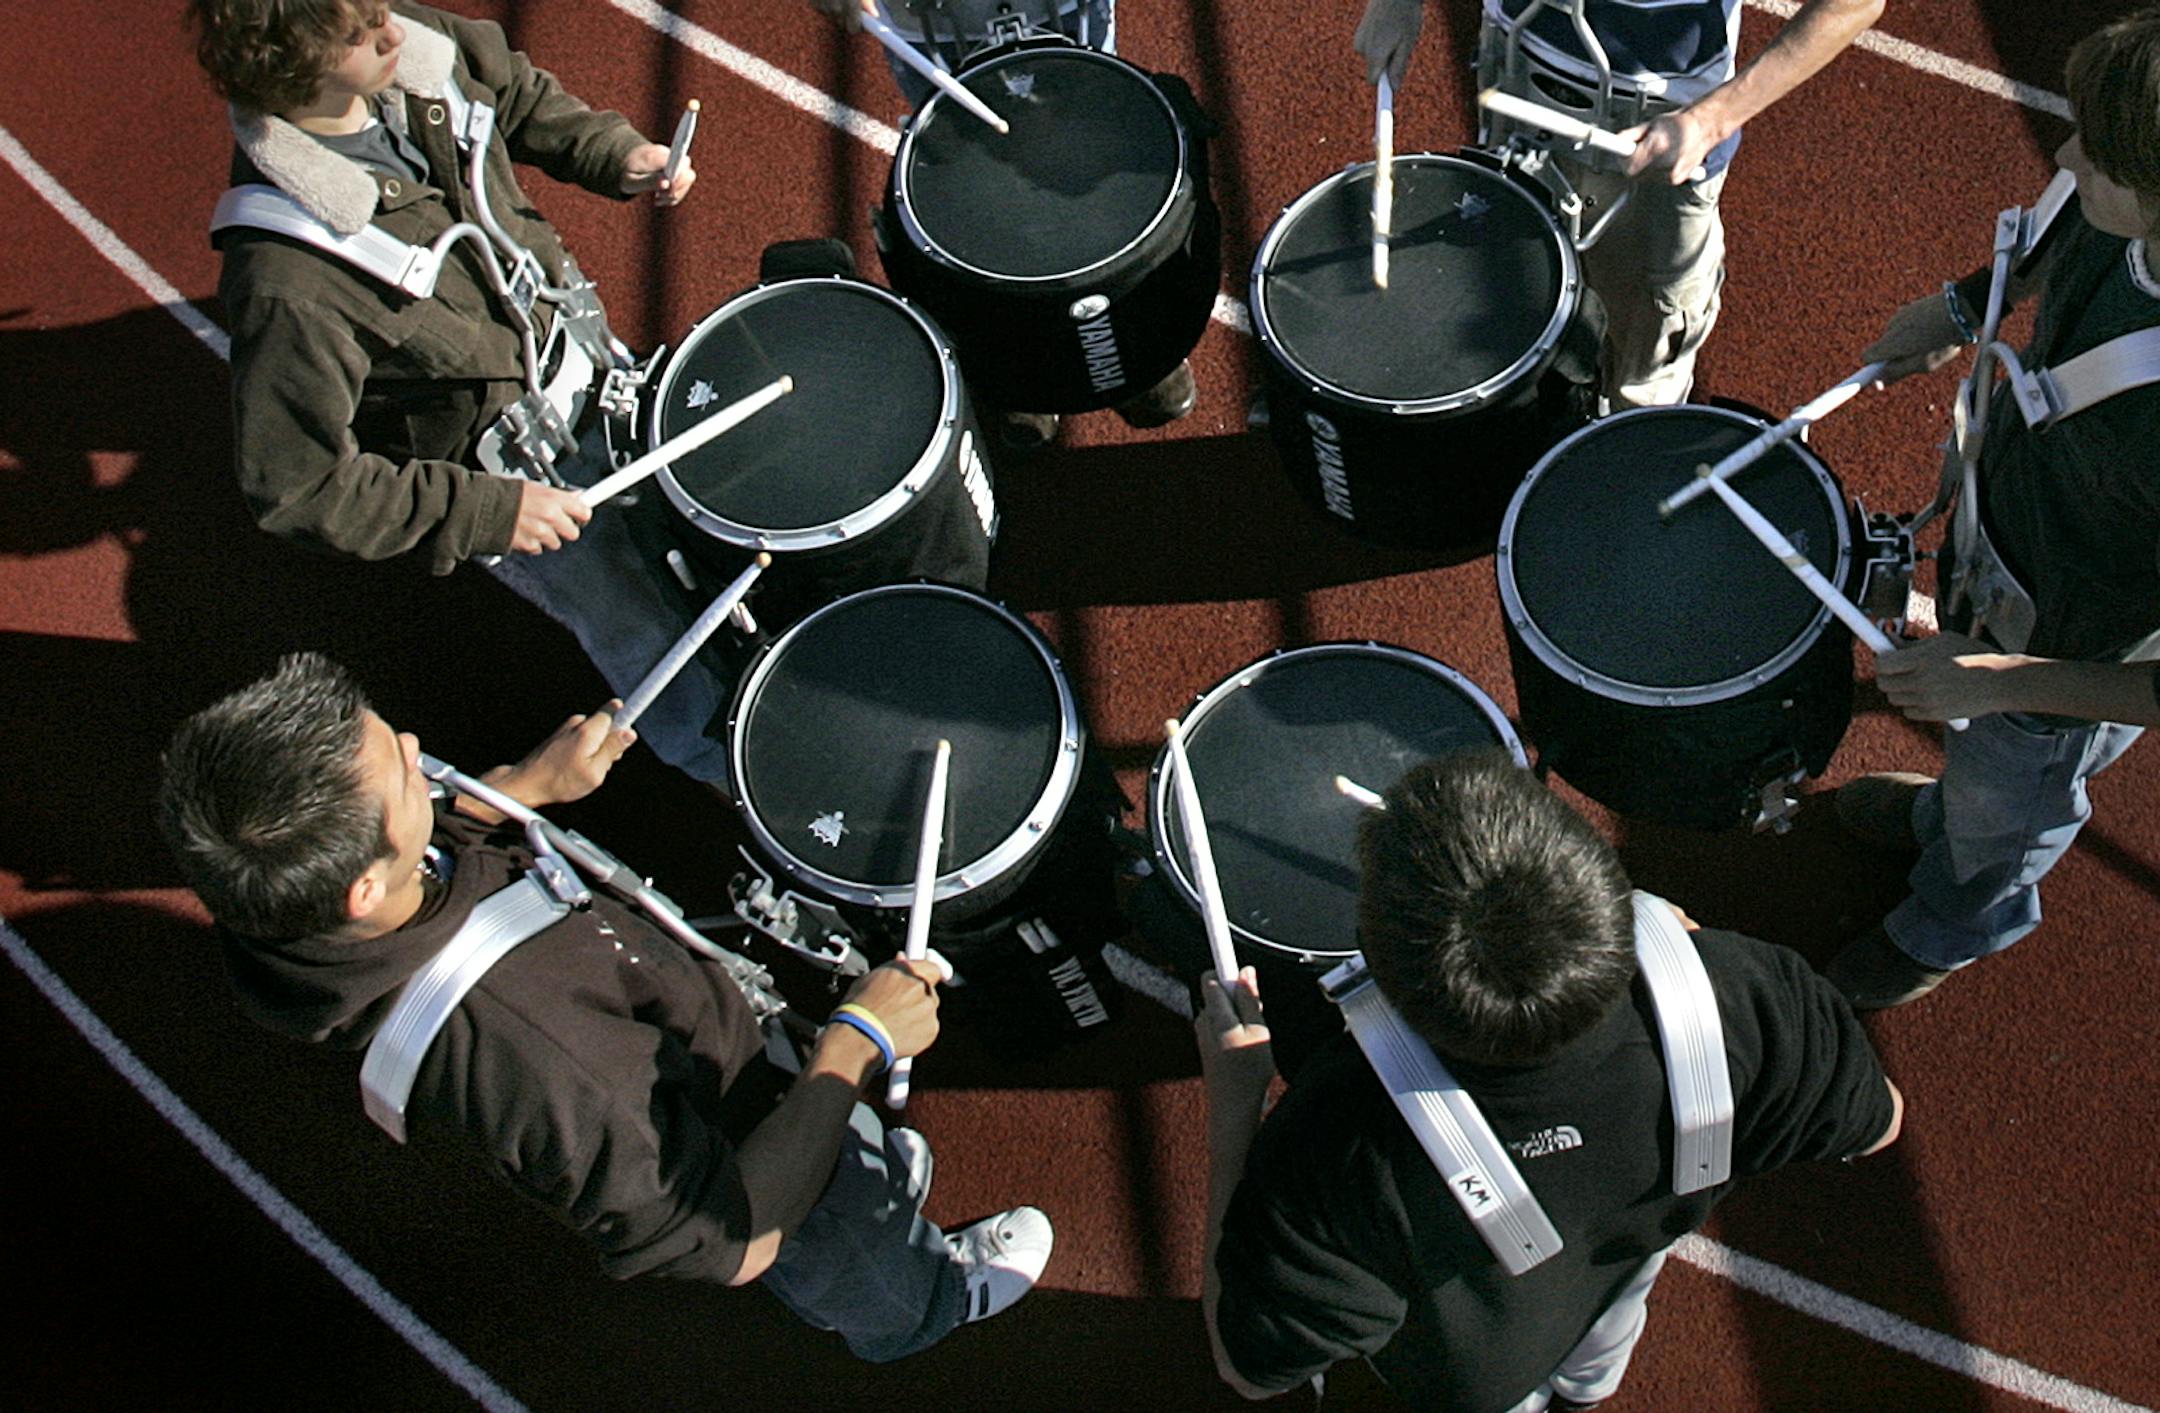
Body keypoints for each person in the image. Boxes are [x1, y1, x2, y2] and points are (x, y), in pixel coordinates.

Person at [155, 652, 1055, 1362]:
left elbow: (427, 850)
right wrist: (856, 1044)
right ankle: (925, 1304)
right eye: (401, 770)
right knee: (854, 1241)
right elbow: (729, 1236)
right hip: (754, 1149)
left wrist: (518, 789)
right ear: (360, 890)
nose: (417, 750)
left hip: (695, 1038)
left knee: (851, 1143)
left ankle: (866, 1162)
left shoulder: (288, 915)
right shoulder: (546, 1065)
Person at [1197, 751, 1901, 1410]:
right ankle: (1589, 1390)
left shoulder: (1342, 1146)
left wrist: (1235, 1098)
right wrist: (1681, 950)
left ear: (1384, 980)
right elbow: (1883, 1120)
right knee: (1603, 1347)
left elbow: (1247, 1366)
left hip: (1475, 1371)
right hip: (1624, 1269)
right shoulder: (1742, 994)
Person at [191, 1, 739, 783]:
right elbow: (297, 485)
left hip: (589, 361)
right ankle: (749, 791)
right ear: (286, 61)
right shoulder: (289, 279)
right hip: (517, 467)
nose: (391, 33)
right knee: (652, 635)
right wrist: (490, 510)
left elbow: (509, 93)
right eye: (358, 34)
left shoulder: (406, 43)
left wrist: (612, 153)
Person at [1822, 8, 2160, 1010]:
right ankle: (1952, 818)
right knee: (1980, 764)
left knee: (2014, 786)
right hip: (2012, 534)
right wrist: (1969, 304)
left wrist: (2004, 678)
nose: (2063, 153)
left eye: (2097, 158)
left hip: (2067, 649)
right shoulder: (2121, 212)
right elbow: (2066, 224)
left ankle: (1961, 913)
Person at [1353, 0, 1882, 408]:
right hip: (1512, 72)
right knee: (1515, 294)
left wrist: (1710, 121)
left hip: (1659, 127)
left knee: (1645, 360)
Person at [807, 0, 1198, 446]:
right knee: (974, 182)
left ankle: (1138, 343)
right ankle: (1022, 363)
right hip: (929, 21)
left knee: (1090, 156)